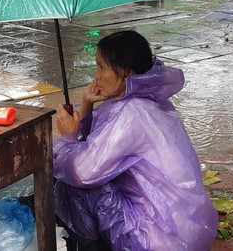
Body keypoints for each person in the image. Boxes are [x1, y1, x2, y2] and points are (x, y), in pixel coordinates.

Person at [53, 30, 218, 250]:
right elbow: (96, 144)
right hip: (189, 231)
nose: (97, 76)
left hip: (159, 239)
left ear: (127, 72)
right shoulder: (150, 100)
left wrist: (68, 138)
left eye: (102, 67)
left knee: (72, 184)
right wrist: (86, 105)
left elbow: (81, 172)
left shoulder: (132, 113)